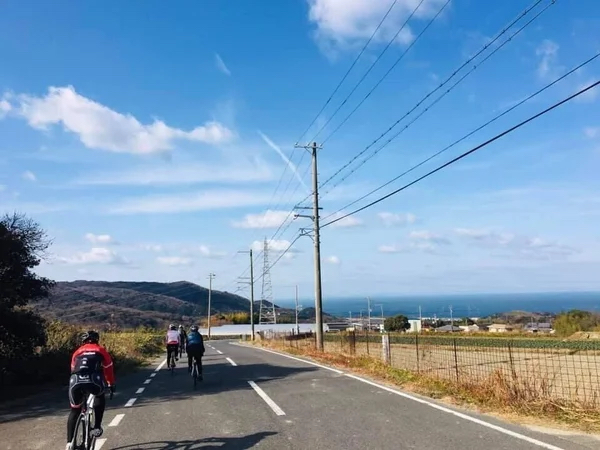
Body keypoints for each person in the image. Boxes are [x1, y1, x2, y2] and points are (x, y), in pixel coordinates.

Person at [66, 330, 115, 450]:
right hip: (93, 379)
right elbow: (108, 368)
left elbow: (73, 368)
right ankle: (97, 427)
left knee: (74, 410)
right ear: (96, 340)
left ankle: (69, 443)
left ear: (83, 341)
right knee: (99, 395)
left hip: (75, 380)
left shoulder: (77, 352)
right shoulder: (101, 350)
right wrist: (111, 384)